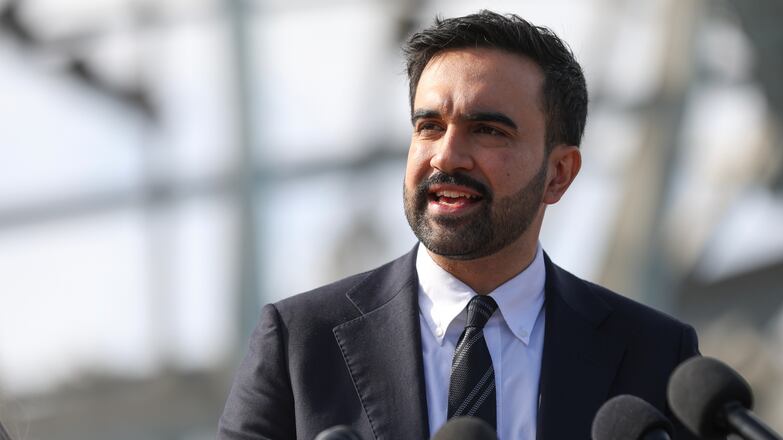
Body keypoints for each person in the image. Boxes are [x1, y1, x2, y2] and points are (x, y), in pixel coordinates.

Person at [218, 10, 699, 440]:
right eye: (429, 126)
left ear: (559, 174)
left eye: (487, 130)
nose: (446, 156)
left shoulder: (656, 355)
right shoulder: (299, 343)